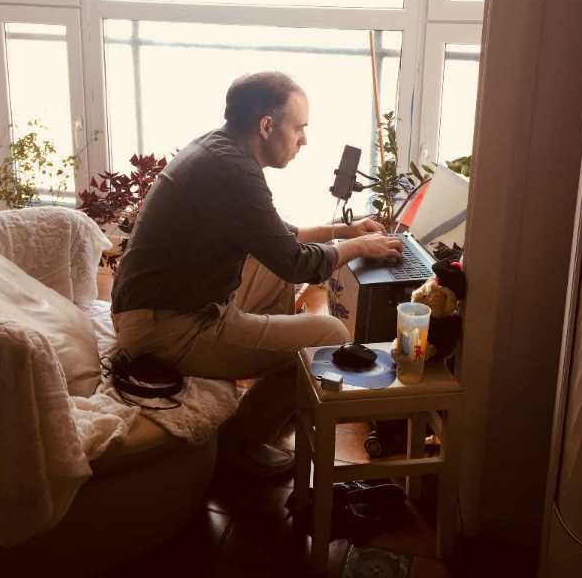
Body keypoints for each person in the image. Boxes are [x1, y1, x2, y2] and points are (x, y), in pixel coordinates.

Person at [111, 71, 403, 475]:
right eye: (299, 128)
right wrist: (358, 247)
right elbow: (297, 261)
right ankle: (240, 445)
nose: (304, 140)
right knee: (329, 335)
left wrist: (343, 231)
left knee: (273, 270)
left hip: (158, 307)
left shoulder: (219, 150)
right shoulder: (233, 171)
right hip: (165, 328)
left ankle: (272, 385)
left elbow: (278, 237)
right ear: (266, 125)